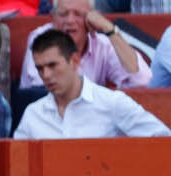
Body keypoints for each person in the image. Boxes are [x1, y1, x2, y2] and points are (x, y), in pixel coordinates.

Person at [15, 28, 170, 139]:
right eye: (40, 68)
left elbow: (162, 138)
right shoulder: (33, 114)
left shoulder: (112, 102)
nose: (46, 75)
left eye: (53, 65)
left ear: (75, 60)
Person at [17, 0, 149, 92]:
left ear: (92, 18)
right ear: (53, 17)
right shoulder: (40, 38)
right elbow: (45, 91)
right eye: (63, 14)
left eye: (78, 14)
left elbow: (141, 81)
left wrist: (109, 29)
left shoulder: (102, 43)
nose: (70, 21)